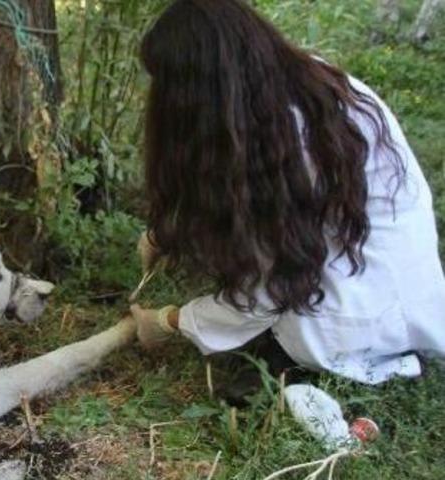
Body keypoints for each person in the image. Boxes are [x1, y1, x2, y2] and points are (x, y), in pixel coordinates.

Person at [131, 0, 445, 398]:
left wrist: (174, 320)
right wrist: (166, 233)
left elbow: (275, 286)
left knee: (265, 363)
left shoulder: (284, 137)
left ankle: (363, 359)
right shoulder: (299, 83)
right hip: (391, 276)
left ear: (201, 89)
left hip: (361, 313)